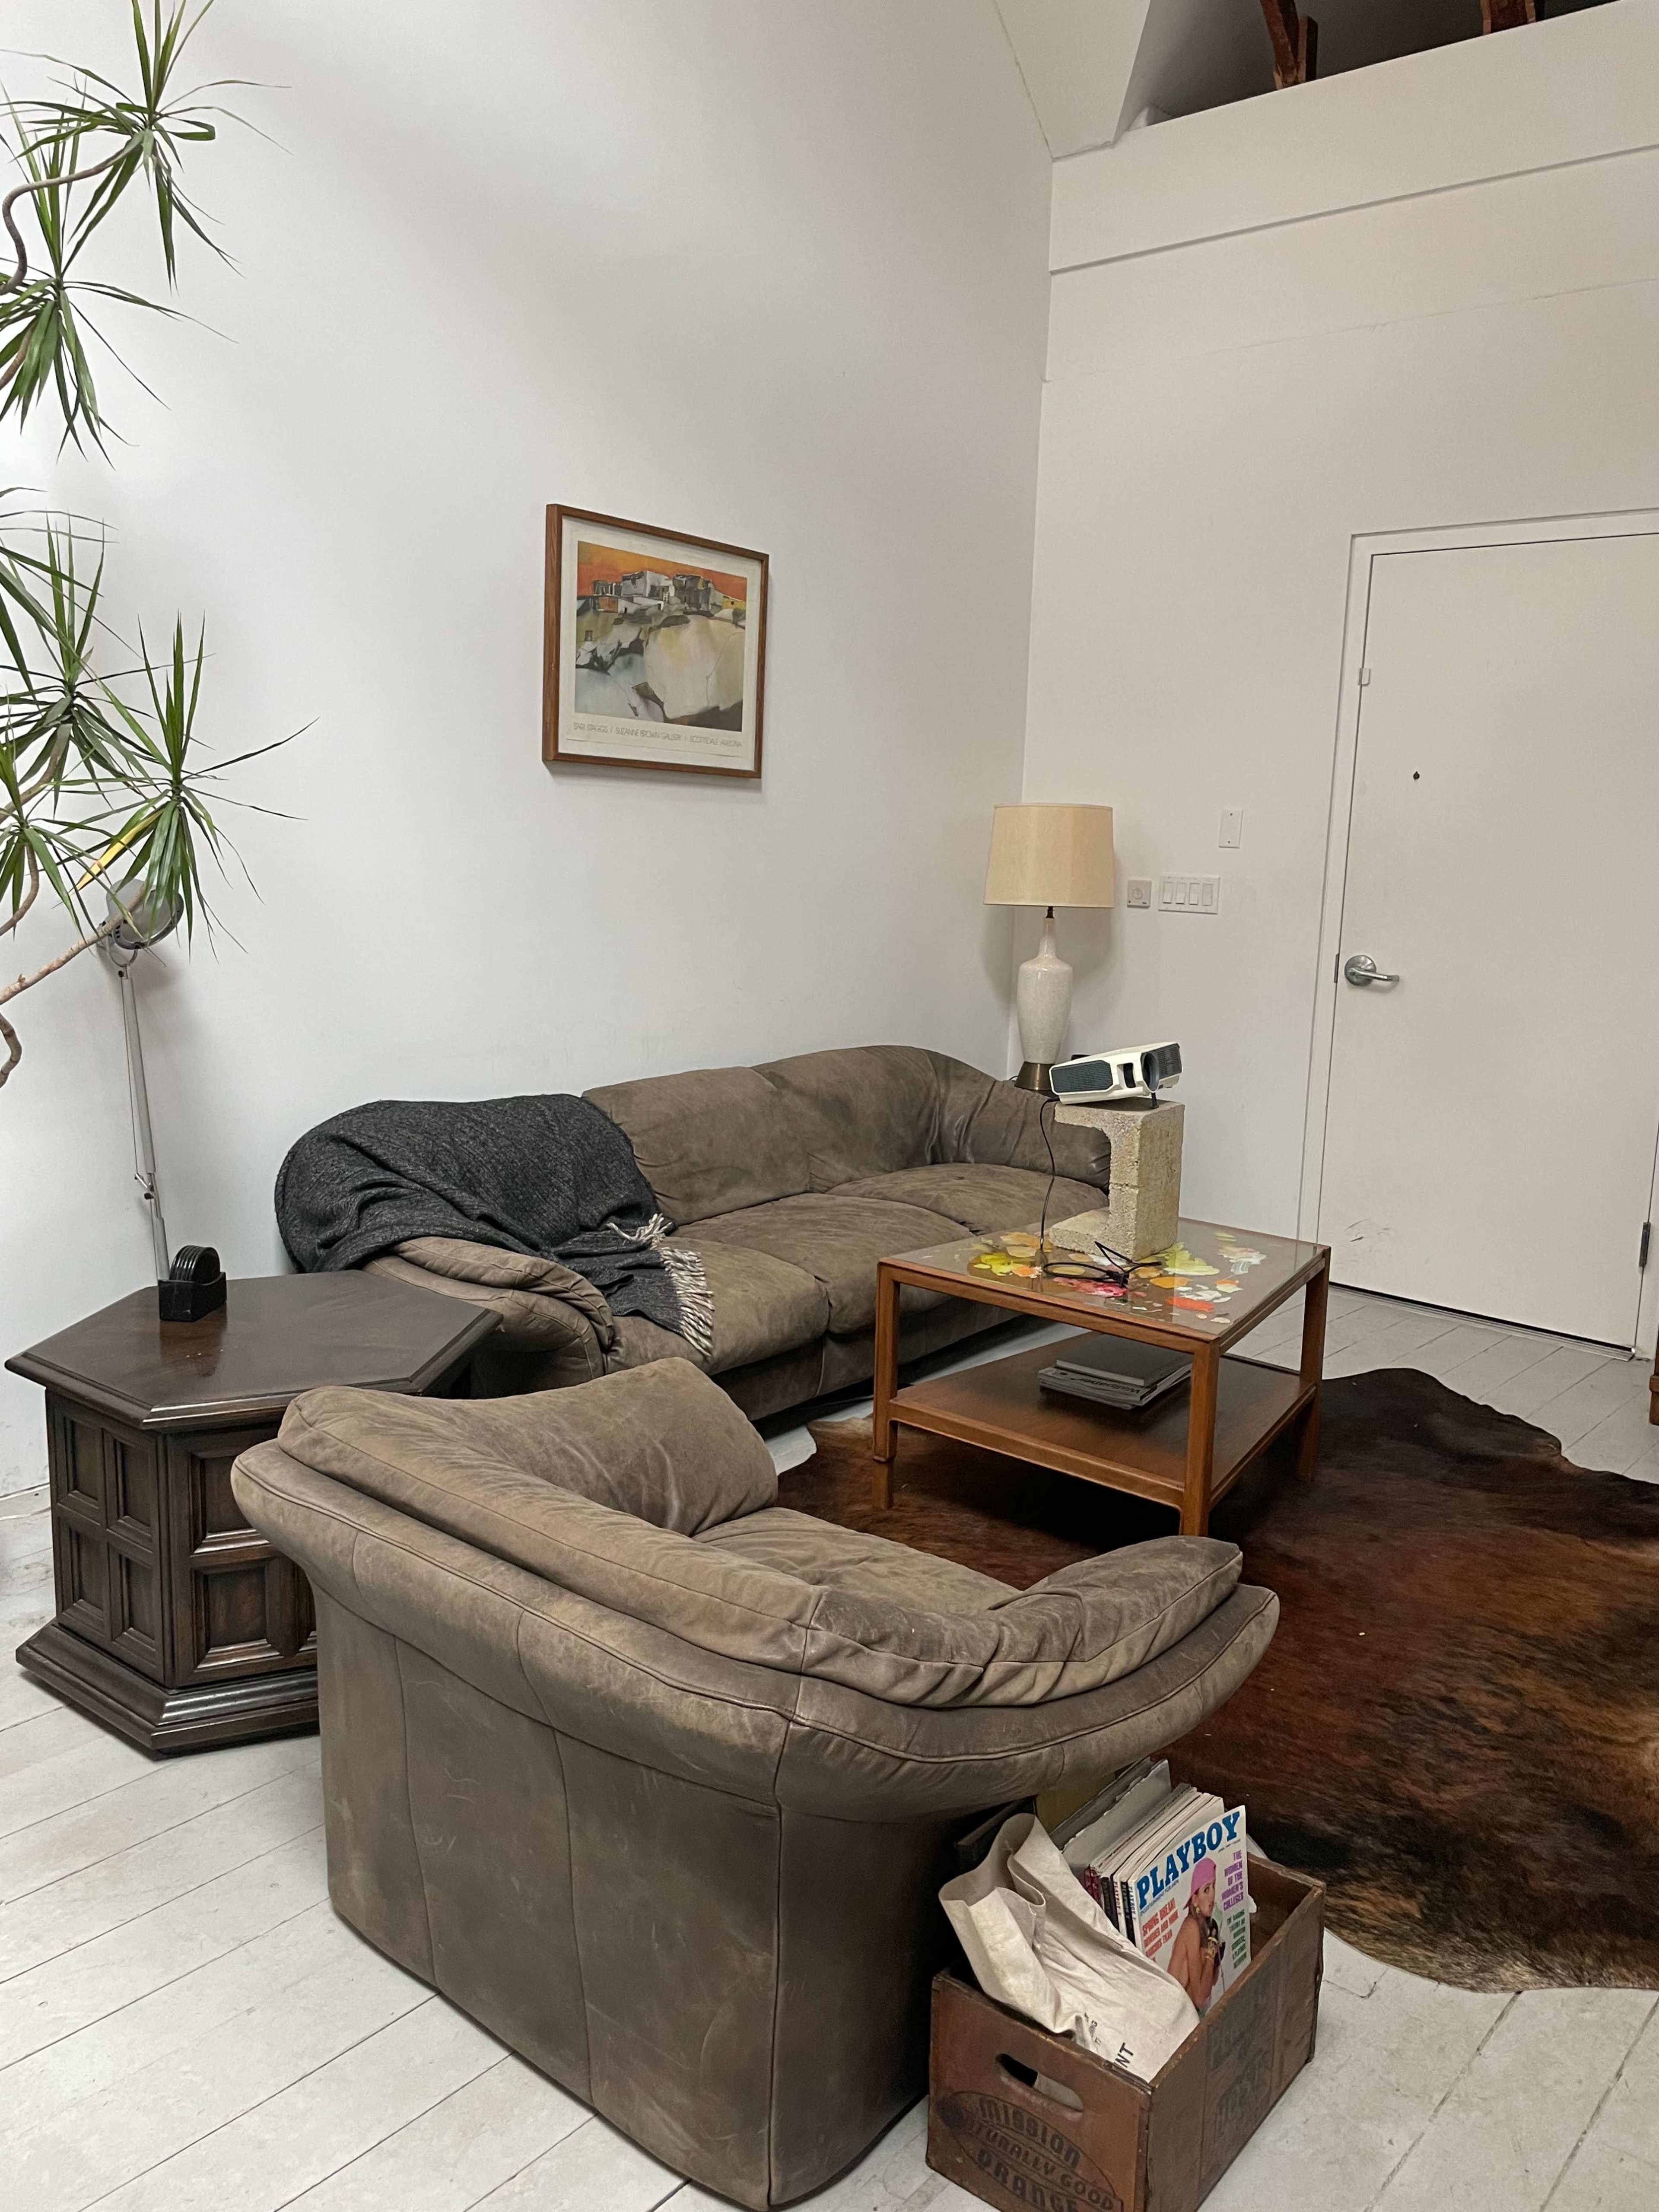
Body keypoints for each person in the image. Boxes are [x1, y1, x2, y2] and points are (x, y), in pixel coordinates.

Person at [1169, 1858, 1226, 2012]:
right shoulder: (1191, 1927)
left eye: (1213, 1887)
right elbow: (1201, 1999)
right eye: (1206, 1890)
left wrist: (1215, 1959)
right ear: (1195, 1899)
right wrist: (1211, 1952)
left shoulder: (1202, 1927)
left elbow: (1211, 1984)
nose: (1212, 1896)